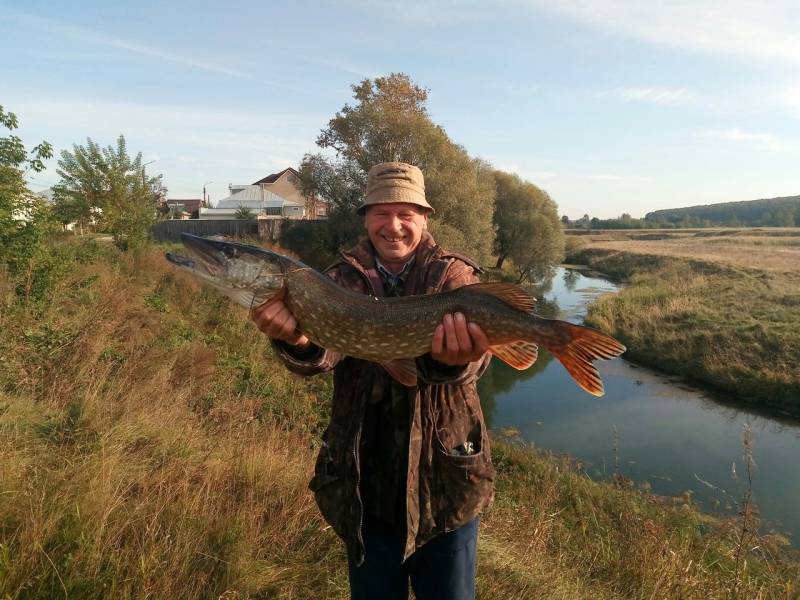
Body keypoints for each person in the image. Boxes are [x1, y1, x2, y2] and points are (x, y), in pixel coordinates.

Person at [251, 162, 494, 600]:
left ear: (424, 217)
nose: (393, 225)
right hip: (364, 486)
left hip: (445, 486)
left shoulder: (452, 276)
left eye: (406, 213)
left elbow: (478, 365)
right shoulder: (338, 279)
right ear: (365, 217)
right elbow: (323, 356)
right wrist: (300, 340)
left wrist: (456, 362)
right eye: (381, 212)